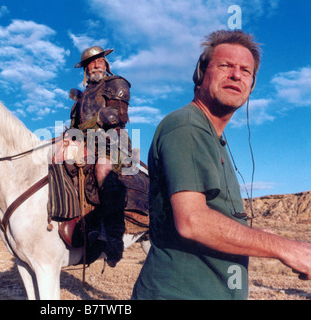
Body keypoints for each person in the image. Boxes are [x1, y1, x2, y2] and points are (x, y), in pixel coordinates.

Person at [132, 30, 311, 300]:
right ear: (200, 75)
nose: (236, 75)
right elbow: (192, 221)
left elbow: (213, 217)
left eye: (245, 71)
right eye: (225, 65)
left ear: (251, 85)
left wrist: (258, 235)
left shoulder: (212, 137)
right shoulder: (186, 126)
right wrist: (285, 248)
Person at [69, 46, 131, 267]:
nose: (96, 65)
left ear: (106, 64)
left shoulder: (116, 84)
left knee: (102, 170)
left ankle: (113, 237)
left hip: (112, 142)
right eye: (91, 63)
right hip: (85, 143)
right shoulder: (82, 96)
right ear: (86, 69)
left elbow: (115, 117)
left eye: (100, 61)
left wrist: (85, 130)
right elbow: (74, 127)